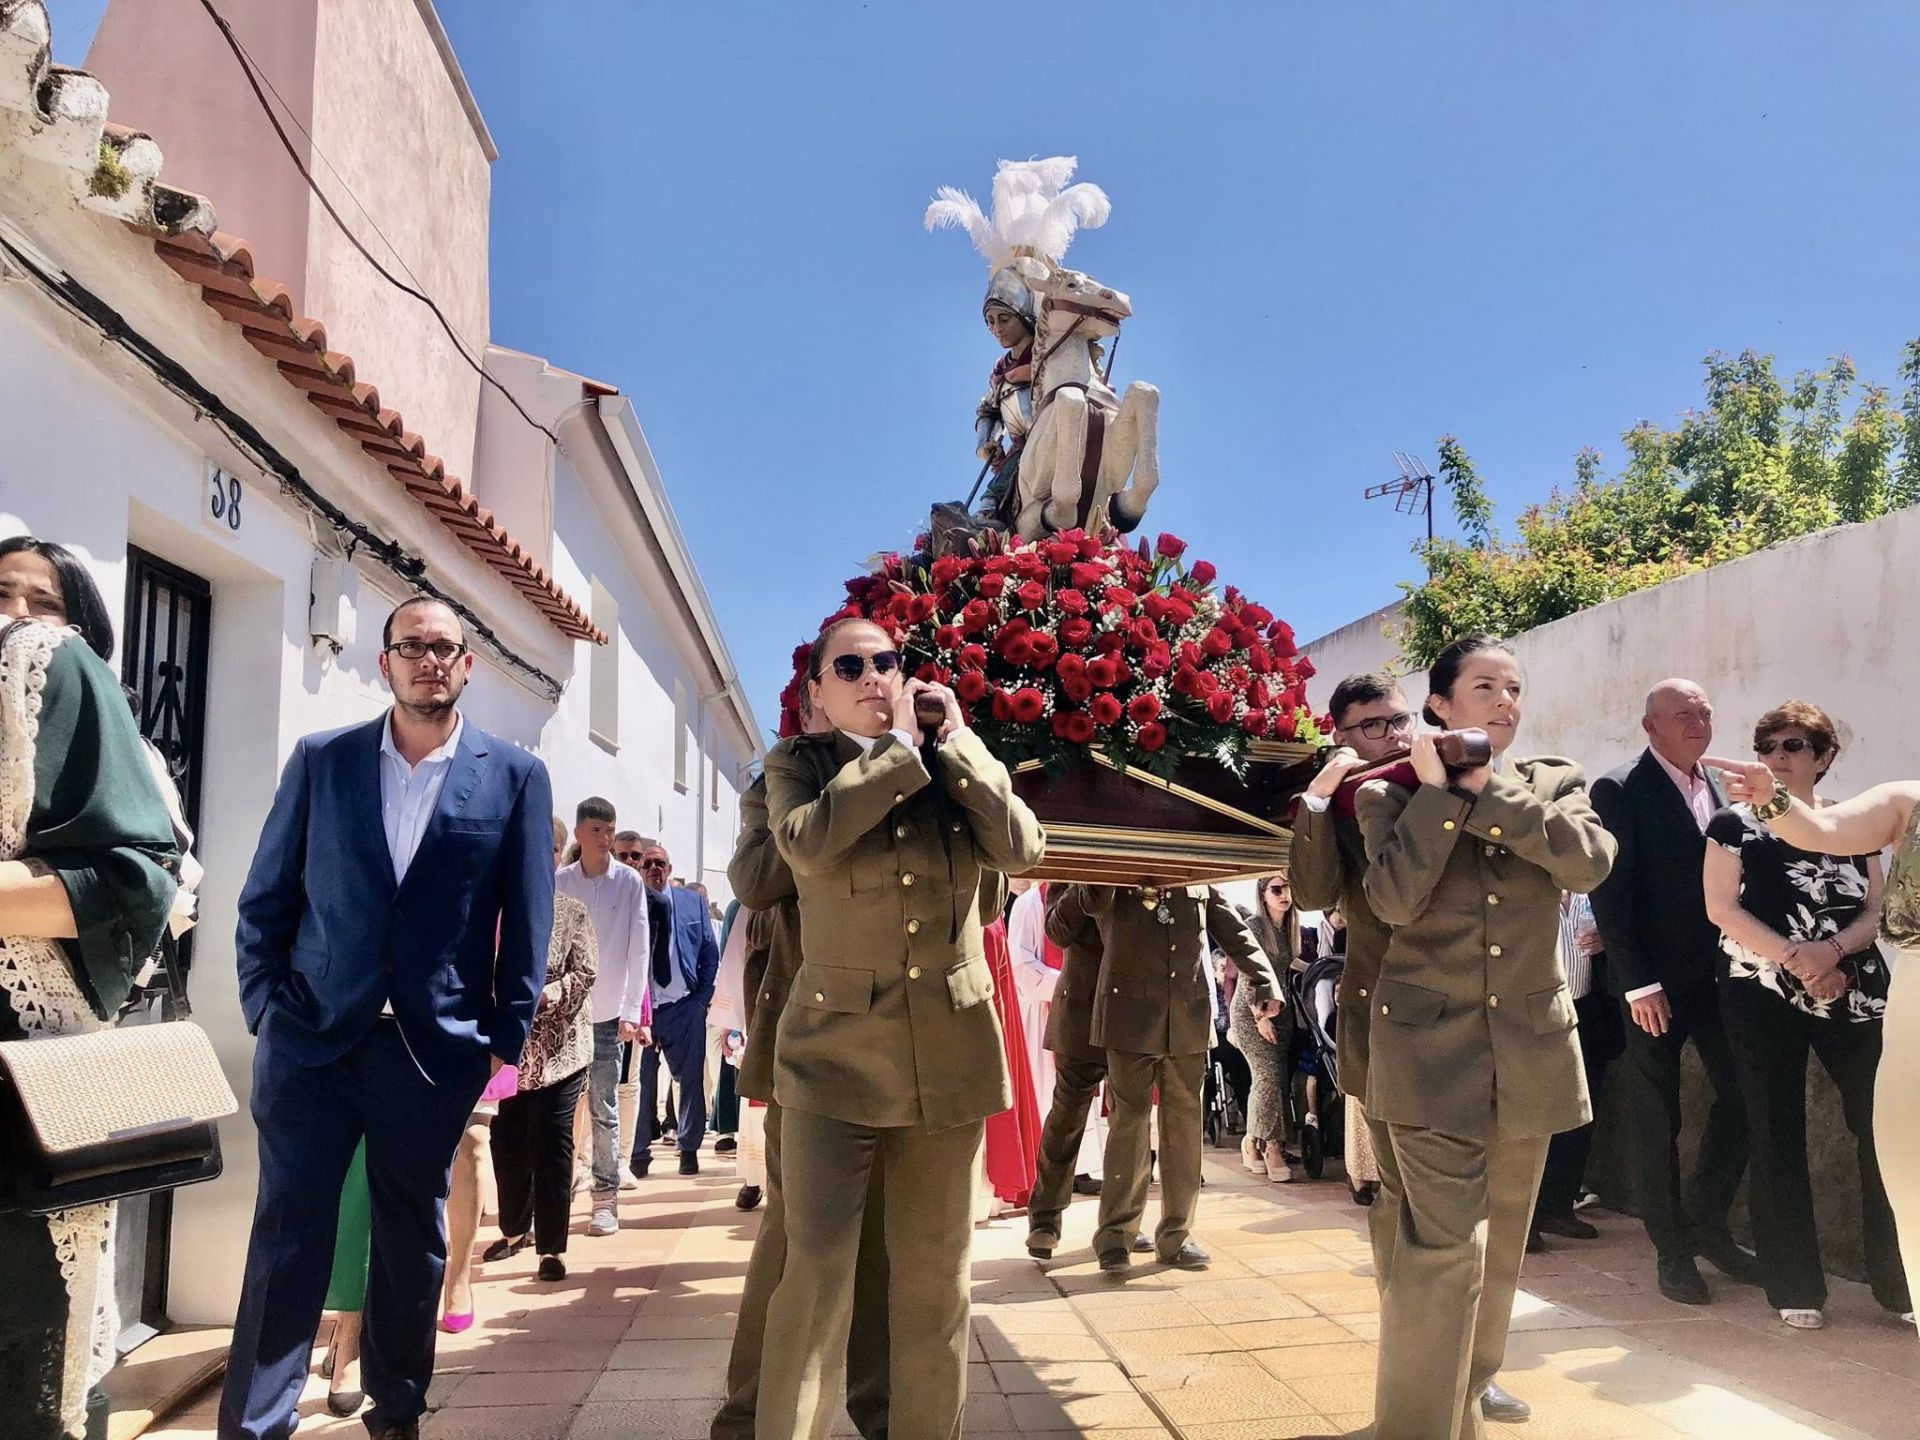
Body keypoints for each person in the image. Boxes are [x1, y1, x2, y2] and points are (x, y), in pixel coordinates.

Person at [219, 596, 553, 1440]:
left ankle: (396, 1411)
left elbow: (528, 923)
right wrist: (265, 1007)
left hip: (432, 1052)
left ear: (467, 664)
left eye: (445, 648)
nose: (428, 660)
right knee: (289, 1233)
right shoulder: (322, 760)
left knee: (411, 1239)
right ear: (385, 662)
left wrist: (502, 1041)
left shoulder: (513, 777)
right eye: (412, 646)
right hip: (313, 1042)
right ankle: (255, 1424)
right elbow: (267, 897)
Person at [753, 617, 1044, 1438]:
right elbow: (806, 844)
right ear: (818, 692)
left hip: (947, 1058)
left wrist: (961, 747)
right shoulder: (798, 766)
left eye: (886, 661)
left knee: (935, 1282)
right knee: (816, 1271)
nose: (874, 675)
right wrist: (896, 756)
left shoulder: (954, 760)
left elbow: (1022, 850)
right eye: (850, 666)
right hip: (830, 1059)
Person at [1348, 635, 1615, 1440]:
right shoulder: (1386, 792)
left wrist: (1485, 789)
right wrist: (1440, 794)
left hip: (1529, 1049)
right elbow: (1394, 900)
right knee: (1443, 1249)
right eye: (1485, 686)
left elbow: (1590, 863)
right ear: (1438, 704)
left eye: (1514, 688)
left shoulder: (1553, 782)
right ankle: (1417, 1427)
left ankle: (1469, 1392)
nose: (1504, 701)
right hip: (1425, 1054)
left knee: (1500, 1253)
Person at [0, 538, 179, 1440]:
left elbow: (141, 884)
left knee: (32, 1349)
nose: (19, 619)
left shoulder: (57, 677)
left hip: (25, 1078)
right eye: (1, 594)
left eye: (44, 603)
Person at [712, 683, 890, 1440]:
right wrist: (845, 800)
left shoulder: (906, 766)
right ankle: (750, 1413)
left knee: (884, 1234)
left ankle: (880, 1409)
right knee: (796, 1238)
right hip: (806, 1040)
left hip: (894, 1035)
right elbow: (756, 881)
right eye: (840, 680)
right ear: (811, 709)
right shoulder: (783, 786)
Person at [1701, 703, 1908, 1330]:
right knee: (1775, 1127)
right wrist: (1798, 957)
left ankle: (1899, 1282)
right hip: (1761, 986)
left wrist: (1833, 953)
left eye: (1792, 745)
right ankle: (1794, 1284)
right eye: (1766, 746)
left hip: (1854, 984)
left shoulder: (1851, 823)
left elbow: (1876, 908)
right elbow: (1721, 909)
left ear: (1823, 757)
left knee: (1880, 1126)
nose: (1776, 757)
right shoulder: (1733, 824)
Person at [1588, 679, 1759, 1306]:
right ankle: (1672, 1249)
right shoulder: (1618, 788)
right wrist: (1638, 982)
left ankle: (1707, 1221)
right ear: (1650, 725)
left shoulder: (1720, 786)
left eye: (1705, 712)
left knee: (1746, 1095)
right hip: (1653, 984)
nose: (1698, 722)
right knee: (1657, 1113)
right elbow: (1612, 891)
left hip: (1723, 977)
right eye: (1683, 713)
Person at [1047, 883, 1282, 1275]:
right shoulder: (1113, 871)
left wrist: (1264, 981)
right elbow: (1081, 913)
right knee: (1129, 1125)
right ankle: (1115, 1236)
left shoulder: (1193, 872)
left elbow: (1232, 927)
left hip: (1187, 1014)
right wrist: (1105, 873)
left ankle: (1177, 1235)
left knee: (1183, 1127)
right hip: (1127, 1014)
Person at [1289, 673, 1415, 1282]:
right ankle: (1408, 1312)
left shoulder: (1443, 779)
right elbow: (1312, 893)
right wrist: (1318, 798)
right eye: (1373, 726)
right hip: (1387, 1009)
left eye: (1400, 719)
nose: (1393, 735)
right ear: (1341, 737)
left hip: (1463, 1006)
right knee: (1399, 1187)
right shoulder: (1337, 808)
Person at [489, 817, 599, 1282]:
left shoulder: (572, 911)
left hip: (560, 1052)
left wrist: (547, 996)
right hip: (507, 1052)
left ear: (560, 853)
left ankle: (551, 1248)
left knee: (552, 1145)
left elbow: (586, 971)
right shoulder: (494, 907)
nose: (541, 854)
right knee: (507, 1143)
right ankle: (515, 1230)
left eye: (551, 847)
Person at [555, 797, 651, 1235]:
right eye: (596, 830)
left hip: (608, 1014)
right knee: (560, 1110)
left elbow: (639, 948)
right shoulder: (561, 883)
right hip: (563, 1014)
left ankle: (605, 1198)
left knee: (604, 1107)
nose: (605, 838)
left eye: (610, 830)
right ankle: (556, 1191)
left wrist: (632, 1011)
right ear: (579, 833)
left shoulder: (628, 882)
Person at [1530, 890, 1620, 1250]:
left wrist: (1605, 941)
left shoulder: (1591, 890)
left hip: (1587, 1012)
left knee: (1580, 1112)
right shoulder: (1530, 887)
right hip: (1536, 1015)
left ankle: (1558, 1206)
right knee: (1535, 1119)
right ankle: (1526, 1216)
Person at [634, 840, 721, 1178]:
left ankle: (688, 1148)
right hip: (642, 1008)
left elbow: (709, 953)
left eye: (660, 863)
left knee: (689, 1080)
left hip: (683, 1005)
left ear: (669, 869)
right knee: (639, 1083)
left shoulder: (691, 903)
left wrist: (700, 1000)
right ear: (640, 869)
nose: (654, 869)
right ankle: (638, 1153)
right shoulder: (632, 901)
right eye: (648, 863)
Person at [1230, 873, 1298, 1183]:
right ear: (1263, 893)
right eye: (1277, 889)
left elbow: (1288, 966)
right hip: (1252, 1014)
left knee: (1273, 1080)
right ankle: (1272, 1147)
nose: (1284, 895)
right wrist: (1260, 1016)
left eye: (1288, 888)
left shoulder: (1289, 928)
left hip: (1280, 1012)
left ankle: (1250, 1141)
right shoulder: (1255, 927)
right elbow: (1248, 974)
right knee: (1268, 1077)